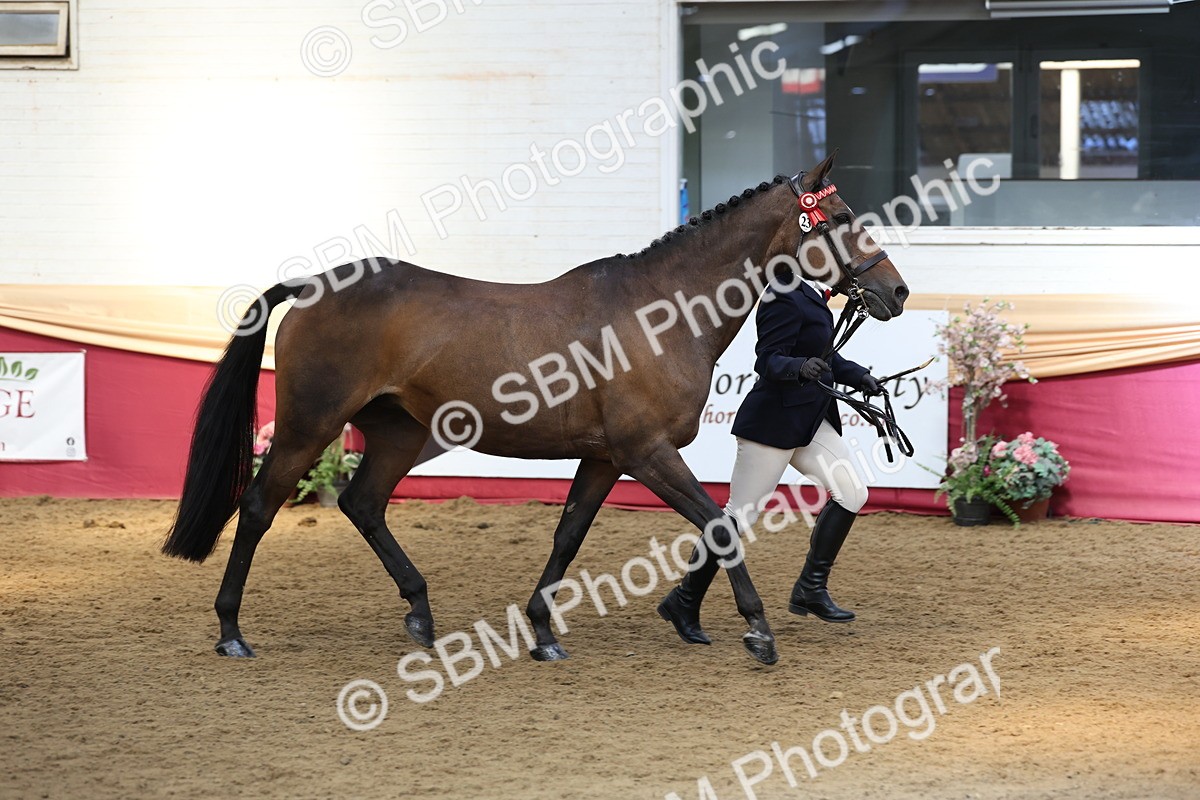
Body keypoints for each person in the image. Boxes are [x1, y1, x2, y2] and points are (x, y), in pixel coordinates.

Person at [657, 267, 882, 644]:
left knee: (853, 493)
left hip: (810, 422)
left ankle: (811, 589)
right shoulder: (782, 293)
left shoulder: (814, 295)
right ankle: (684, 599)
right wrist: (797, 367)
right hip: (773, 425)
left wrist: (860, 377)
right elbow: (766, 360)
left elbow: (825, 357)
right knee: (738, 517)